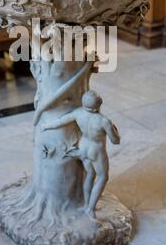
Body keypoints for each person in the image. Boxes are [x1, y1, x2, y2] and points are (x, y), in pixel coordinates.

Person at [42, 90, 120, 218]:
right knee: (102, 177)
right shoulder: (104, 121)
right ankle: (90, 208)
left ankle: (86, 204)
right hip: (96, 150)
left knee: (90, 174)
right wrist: (115, 130)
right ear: (98, 105)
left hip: (83, 147)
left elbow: (61, 121)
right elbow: (115, 141)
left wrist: (46, 126)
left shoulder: (79, 113)